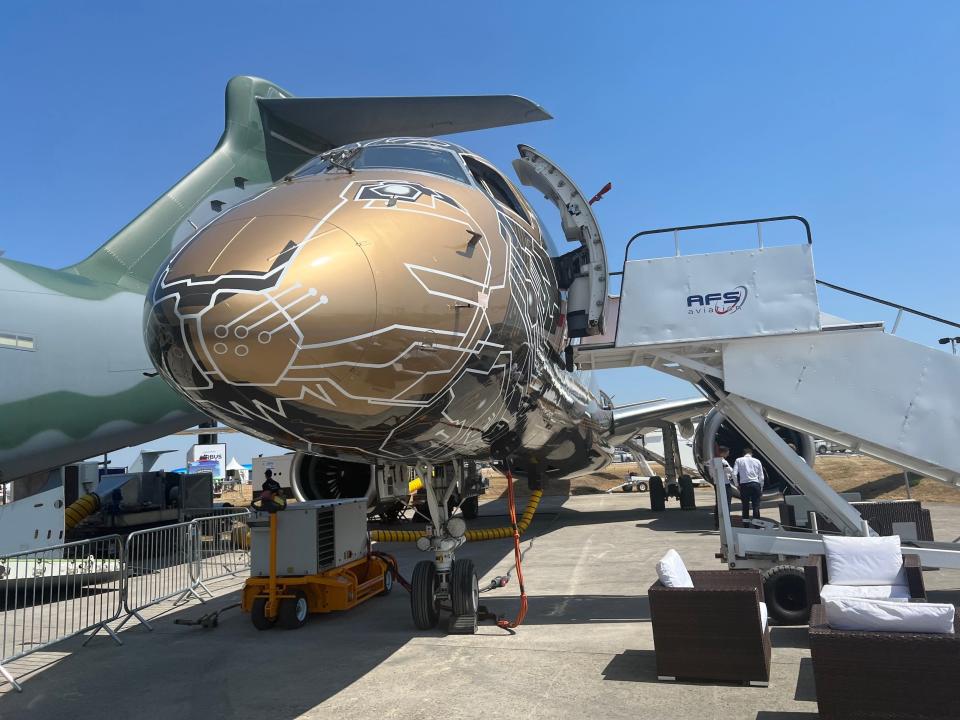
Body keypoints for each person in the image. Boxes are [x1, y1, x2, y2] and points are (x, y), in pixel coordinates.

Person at [733, 447, 764, 520]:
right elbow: (761, 476)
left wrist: (736, 485)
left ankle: (746, 524)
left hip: (744, 485)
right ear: (751, 454)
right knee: (756, 506)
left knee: (745, 506)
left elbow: (734, 474)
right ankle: (757, 525)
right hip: (755, 484)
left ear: (743, 454)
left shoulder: (738, 460)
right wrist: (761, 488)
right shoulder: (757, 461)